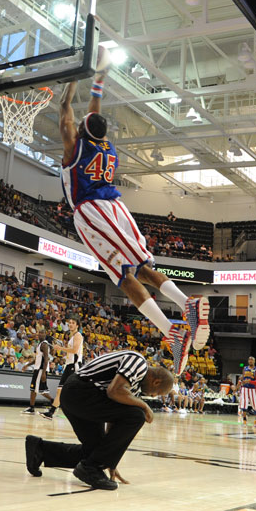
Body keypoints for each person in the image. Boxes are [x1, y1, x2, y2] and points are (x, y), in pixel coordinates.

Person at [58, 51, 206, 374]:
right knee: (136, 271)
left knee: (127, 274)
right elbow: (92, 110)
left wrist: (74, 76)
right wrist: (98, 77)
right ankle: (176, 326)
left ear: (82, 131)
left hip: (93, 211)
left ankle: (184, 310)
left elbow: (64, 111)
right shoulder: (105, 144)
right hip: (116, 208)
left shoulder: (75, 147)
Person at [24, 350, 175, 490]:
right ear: (156, 382)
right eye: (156, 394)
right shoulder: (138, 362)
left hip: (80, 397)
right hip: (80, 391)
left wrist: (110, 460)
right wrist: (145, 406)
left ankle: (40, 450)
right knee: (137, 415)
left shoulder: (134, 387)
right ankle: (90, 468)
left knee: (95, 452)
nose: (153, 397)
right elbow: (114, 391)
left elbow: (115, 419)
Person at [41, 318, 83, 420]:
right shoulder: (72, 336)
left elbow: (74, 350)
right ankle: (51, 412)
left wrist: (60, 348)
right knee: (60, 390)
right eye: (70, 323)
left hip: (74, 366)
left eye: (73, 323)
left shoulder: (78, 335)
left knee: (71, 391)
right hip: (69, 365)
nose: (71, 324)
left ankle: (82, 411)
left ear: (77, 325)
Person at [22, 334, 54, 414]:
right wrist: (27, 365)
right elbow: (37, 359)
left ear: (45, 335)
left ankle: (54, 402)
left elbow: (46, 359)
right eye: (39, 333)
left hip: (41, 370)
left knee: (40, 390)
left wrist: (43, 373)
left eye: (42, 334)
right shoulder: (39, 344)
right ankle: (31, 407)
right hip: (37, 369)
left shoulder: (44, 345)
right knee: (33, 389)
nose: (40, 335)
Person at [237, 356, 256, 427]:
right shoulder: (245, 368)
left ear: (254, 361)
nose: (250, 361)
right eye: (249, 359)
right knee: (244, 404)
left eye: (252, 360)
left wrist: (249, 381)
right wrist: (238, 386)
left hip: (253, 389)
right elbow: (242, 378)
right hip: (244, 388)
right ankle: (244, 420)